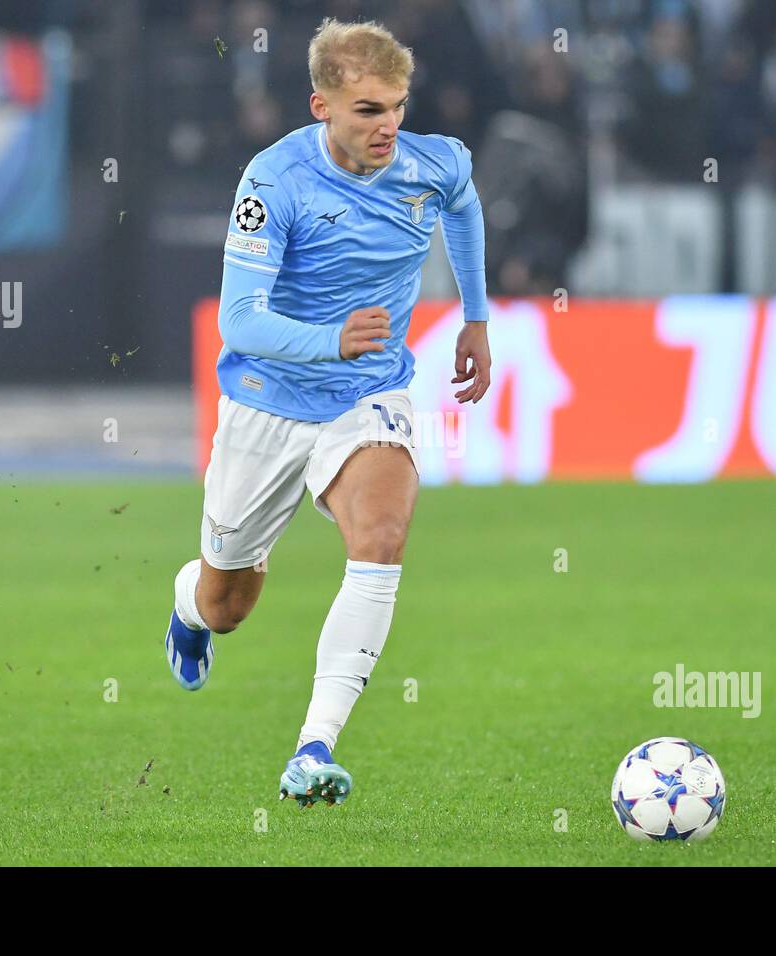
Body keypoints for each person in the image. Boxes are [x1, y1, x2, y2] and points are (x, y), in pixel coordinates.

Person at [164, 17, 491, 807]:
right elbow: (239, 321)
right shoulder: (273, 182)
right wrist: (329, 340)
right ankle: (188, 606)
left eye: (398, 106)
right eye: (368, 111)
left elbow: (464, 205)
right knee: (228, 602)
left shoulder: (433, 162)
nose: (389, 127)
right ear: (321, 106)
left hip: (368, 392)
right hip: (267, 403)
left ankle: (314, 748)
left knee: (381, 536)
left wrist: (476, 316)